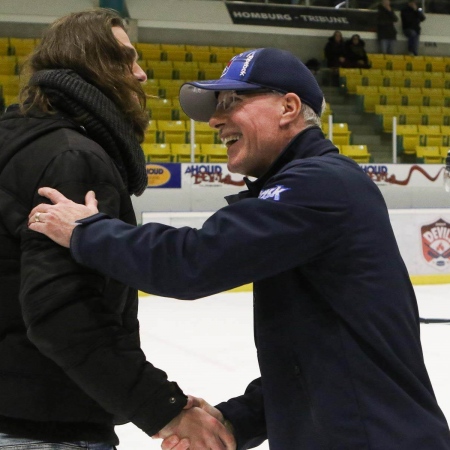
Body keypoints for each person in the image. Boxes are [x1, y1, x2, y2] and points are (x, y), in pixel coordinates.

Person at [28, 47, 450, 449]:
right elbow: (320, 360)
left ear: (288, 107)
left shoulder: (319, 184)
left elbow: (191, 261)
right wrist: (237, 422)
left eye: (232, 101)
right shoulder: (311, 189)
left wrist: (87, 231)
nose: (215, 119)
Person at [0, 8, 234, 450]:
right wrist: (164, 409)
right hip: (44, 428)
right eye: (127, 59)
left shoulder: (15, 142)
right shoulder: (73, 157)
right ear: (93, 65)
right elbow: (63, 311)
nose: (142, 75)